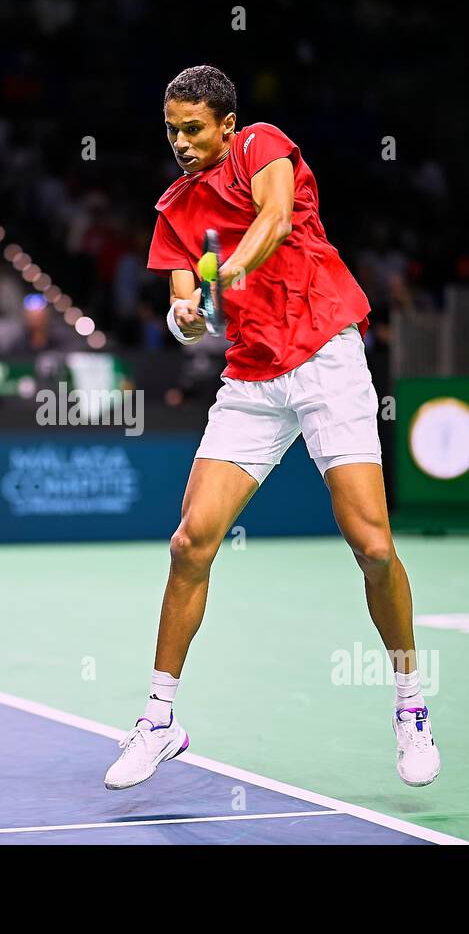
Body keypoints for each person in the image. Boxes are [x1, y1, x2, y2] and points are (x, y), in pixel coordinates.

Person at [104, 65, 439, 791]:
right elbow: (184, 303)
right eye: (172, 131)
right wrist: (184, 315)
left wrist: (219, 276)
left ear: (225, 124)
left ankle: (411, 703)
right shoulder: (175, 206)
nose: (183, 143)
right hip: (252, 378)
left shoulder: (261, 145)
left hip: (325, 355)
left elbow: (275, 221)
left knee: (373, 546)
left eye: (194, 129)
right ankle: (159, 720)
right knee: (190, 540)